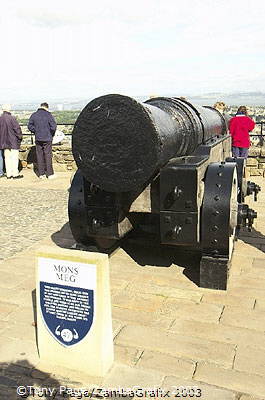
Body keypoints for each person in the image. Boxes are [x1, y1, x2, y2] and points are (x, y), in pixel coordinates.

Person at [28, 102, 57, 179]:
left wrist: (36, 131)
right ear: (47, 107)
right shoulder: (48, 115)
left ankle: (41, 174)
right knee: (48, 155)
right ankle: (50, 174)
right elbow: (53, 127)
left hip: (38, 138)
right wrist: (51, 134)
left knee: (39, 155)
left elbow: (30, 126)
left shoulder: (34, 115)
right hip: (47, 138)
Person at [0, 104, 23, 179]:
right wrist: (20, 138)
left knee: (7, 158)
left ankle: (9, 174)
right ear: (9, 109)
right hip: (13, 142)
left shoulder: (1, 118)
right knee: (14, 158)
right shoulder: (12, 118)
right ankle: (15, 174)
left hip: (4, 142)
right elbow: (17, 130)